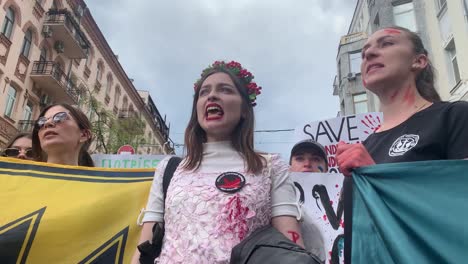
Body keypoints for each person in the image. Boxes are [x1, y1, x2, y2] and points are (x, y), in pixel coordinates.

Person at [133, 61, 304, 263]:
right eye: (204, 92)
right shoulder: (169, 169)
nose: (212, 96)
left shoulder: (271, 166)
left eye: (225, 89)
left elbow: (291, 248)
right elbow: (145, 244)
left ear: (245, 110)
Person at [336, 26, 468, 175]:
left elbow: (460, 193)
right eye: (363, 53)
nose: (368, 53)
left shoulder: (456, 116)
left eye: (387, 43)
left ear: (419, 61)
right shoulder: (364, 146)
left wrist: (374, 175)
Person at [289, 139, 329, 262]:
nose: (307, 163)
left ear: (327, 168)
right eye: (300, 158)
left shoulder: (344, 196)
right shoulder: (275, 197)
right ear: (289, 166)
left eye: (316, 159)